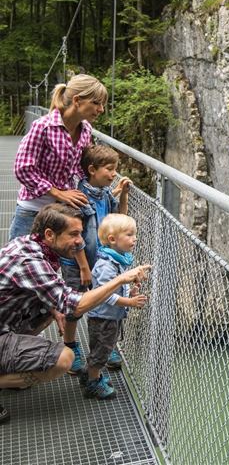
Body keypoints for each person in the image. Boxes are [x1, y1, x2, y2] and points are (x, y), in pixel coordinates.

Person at [0, 204, 150, 423]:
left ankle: (11, 366)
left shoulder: (31, 246)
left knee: (53, 311)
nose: (81, 240)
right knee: (64, 360)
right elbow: (74, 305)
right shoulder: (30, 260)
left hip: (7, 320)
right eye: (74, 234)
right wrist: (121, 279)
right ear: (50, 234)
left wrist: (53, 309)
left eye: (80, 233)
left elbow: (45, 291)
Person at [9, 73, 107, 241]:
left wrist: (101, 186)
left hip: (62, 212)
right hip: (33, 209)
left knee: (51, 266)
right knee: (19, 263)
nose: (101, 109)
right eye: (96, 103)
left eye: (102, 104)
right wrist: (59, 193)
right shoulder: (43, 127)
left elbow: (79, 168)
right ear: (77, 100)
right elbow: (22, 169)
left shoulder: (86, 130)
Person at [59, 145, 131, 374]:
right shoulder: (79, 198)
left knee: (102, 303)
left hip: (100, 263)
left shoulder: (105, 193)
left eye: (115, 169)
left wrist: (123, 194)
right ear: (92, 169)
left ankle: (103, 346)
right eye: (109, 170)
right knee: (76, 306)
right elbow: (76, 235)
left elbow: (118, 219)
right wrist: (83, 267)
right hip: (78, 263)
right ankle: (70, 347)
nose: (113, 174)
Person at [82, 214, 147, 400]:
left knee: (104, 348)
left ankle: (90, 376)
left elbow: (118, 286)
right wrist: (129, 302)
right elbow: (105, 294)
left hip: (110, 316)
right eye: (129, 234)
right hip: (103, 318)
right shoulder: (106, 265)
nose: (134, 238)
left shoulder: (117, 259)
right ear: (112, 239)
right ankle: (93, 384)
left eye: (134, 234)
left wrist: (130, 293)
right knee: (101, 351)